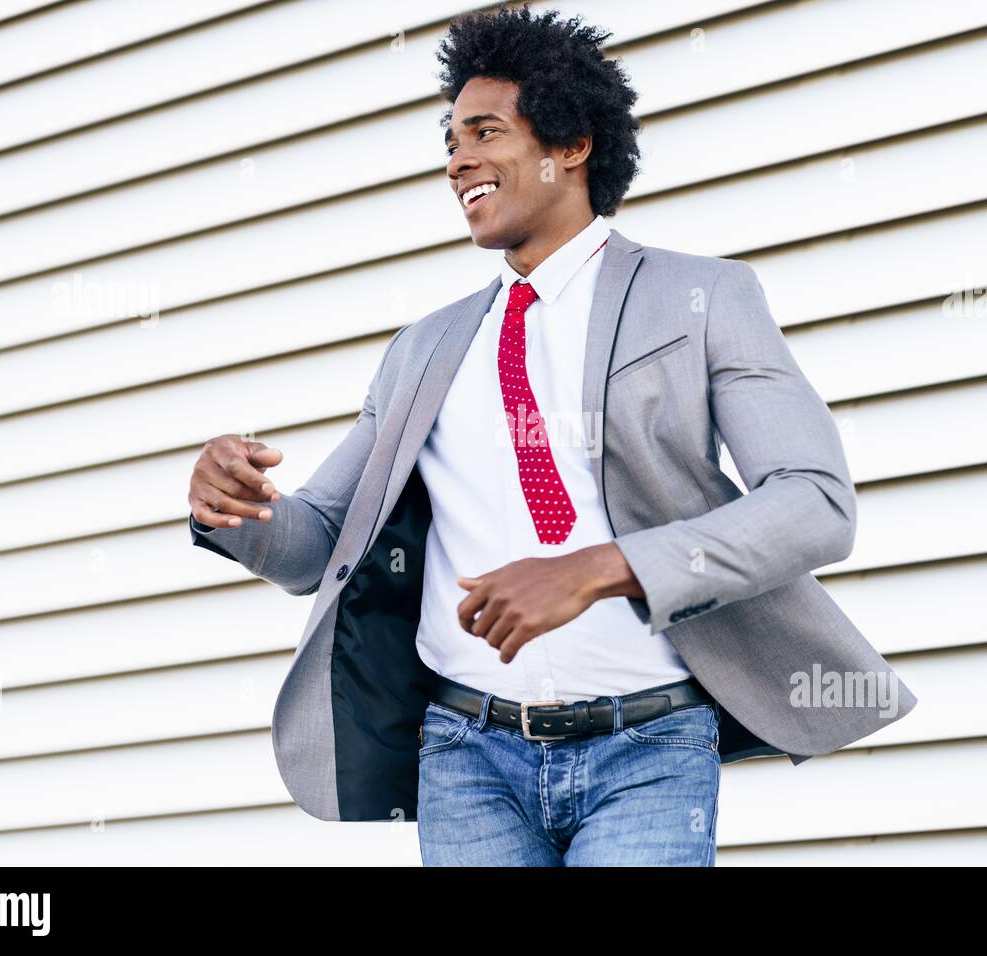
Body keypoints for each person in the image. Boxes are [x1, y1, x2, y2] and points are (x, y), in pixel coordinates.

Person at [187, 4, 917, 866]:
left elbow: (815, 506)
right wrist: (239, 511)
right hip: (465, 757)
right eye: (450, 141)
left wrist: (599, 569)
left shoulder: (703, 298)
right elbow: (316, 548)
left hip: (648, 749)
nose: (458, 160)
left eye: (484, 131)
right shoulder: (423, 349)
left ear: (571, 145)